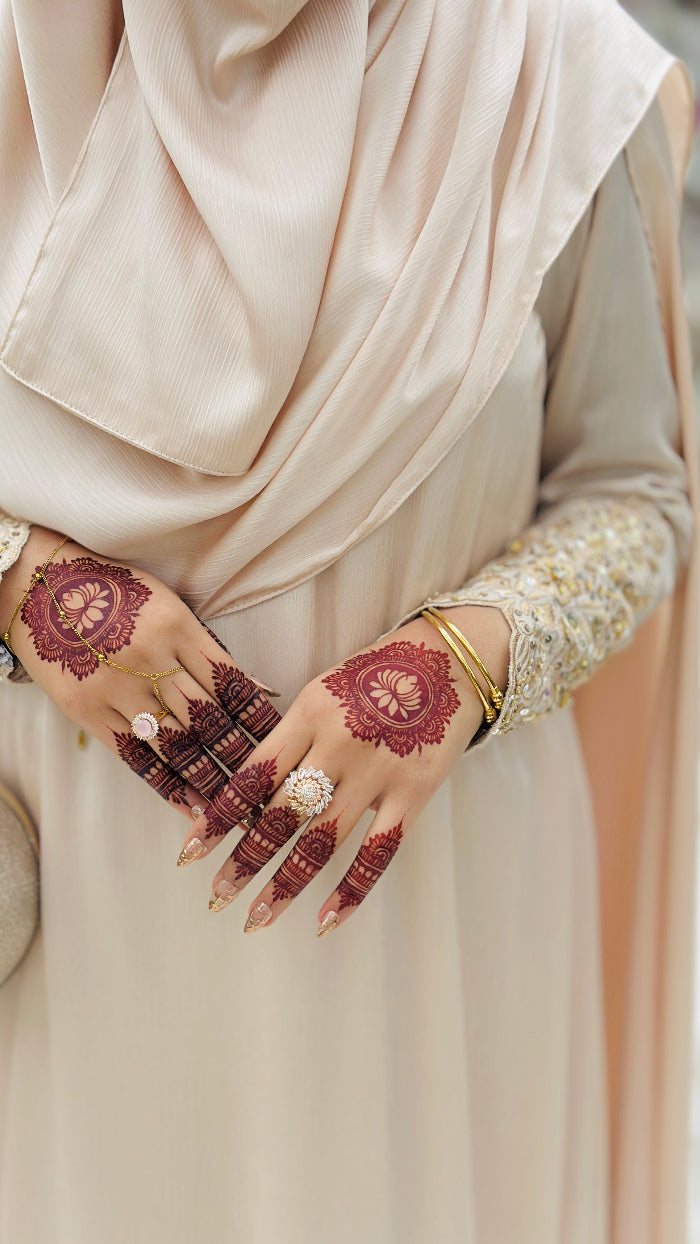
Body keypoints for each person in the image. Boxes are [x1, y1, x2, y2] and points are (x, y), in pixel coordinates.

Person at [0, 2, 697, 1242]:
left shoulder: (555, 74)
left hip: (430, 908)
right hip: (74, 916)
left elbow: (632, 491)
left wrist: (460, 663)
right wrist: (21, 582)